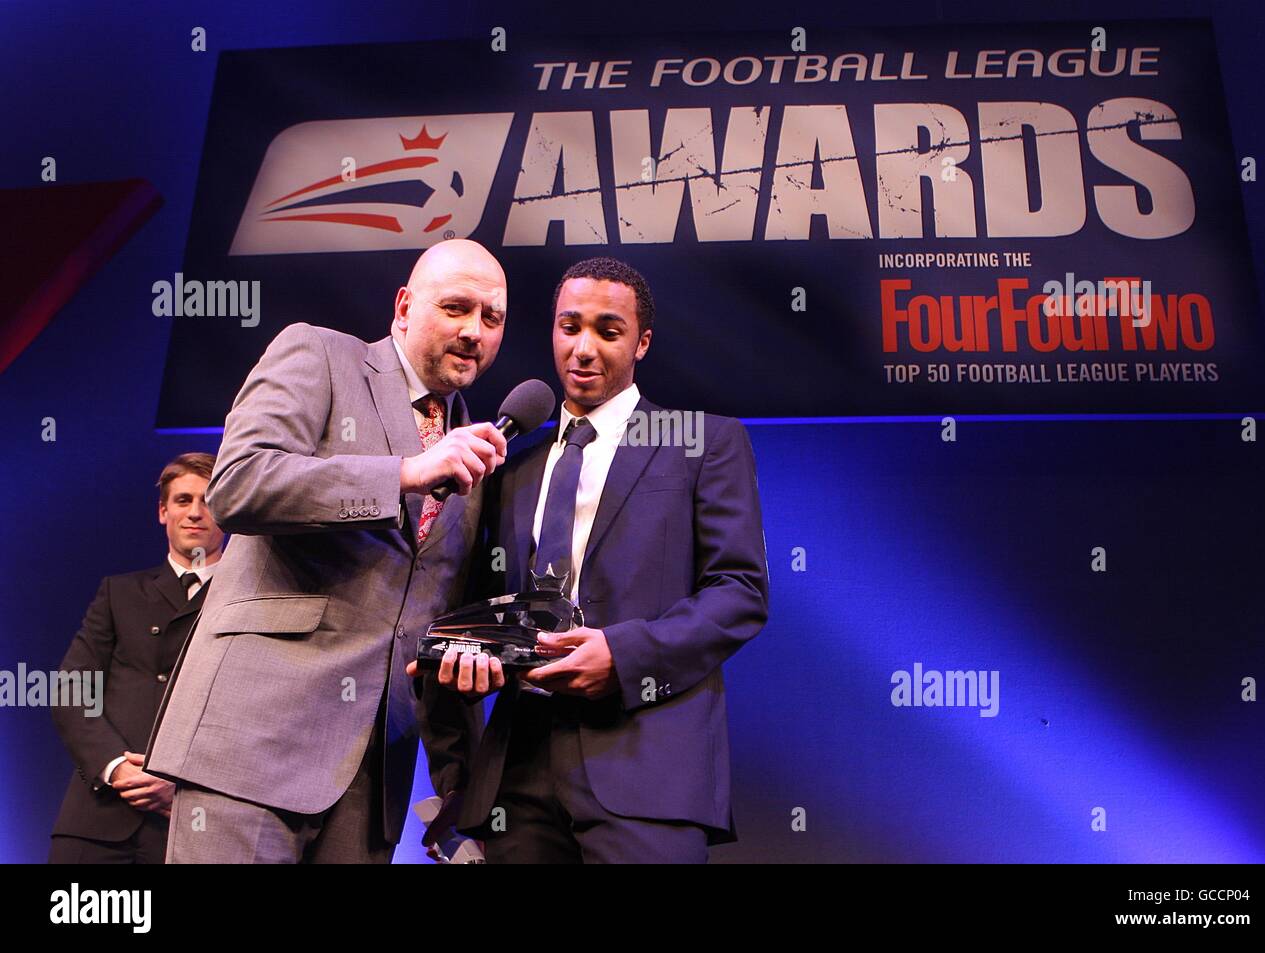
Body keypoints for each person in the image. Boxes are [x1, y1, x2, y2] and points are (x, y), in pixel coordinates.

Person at [145, 239, 509, 863]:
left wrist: (460, 791)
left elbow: (433, 630)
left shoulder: (474, 454)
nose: (473, 330)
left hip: (373, 781)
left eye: (491, 318)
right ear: (403, 306)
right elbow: (239, 484)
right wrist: (402, 473)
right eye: (455, 308)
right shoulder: (320, 354)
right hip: (253, 747)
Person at [424, 256, 768, 863]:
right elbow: (477, 612)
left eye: (608, 332)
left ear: (642, 343)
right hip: (515, 782)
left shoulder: (703, 441)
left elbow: (739, 593)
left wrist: (624, 655)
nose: (583, 348)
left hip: (646, 773)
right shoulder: (511, 467)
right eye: (569, 327)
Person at [50, 452, 224, 863]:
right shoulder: (119, 593)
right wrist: (117, 768)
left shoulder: (251, 600)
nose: (195, 513)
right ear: (163, 512)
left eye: (209, 500)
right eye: (183, 501)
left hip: (196, 825)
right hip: (99, 819)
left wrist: (183, 783)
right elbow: (72, 691)